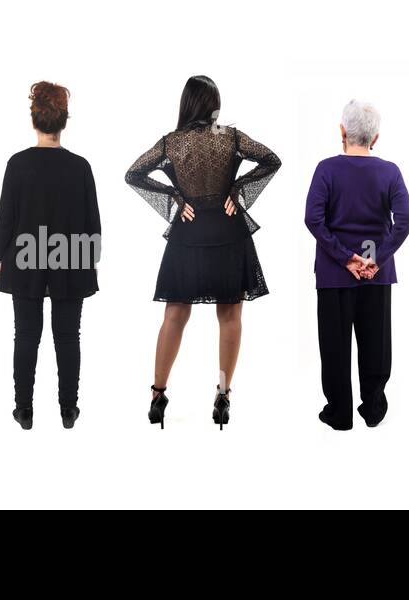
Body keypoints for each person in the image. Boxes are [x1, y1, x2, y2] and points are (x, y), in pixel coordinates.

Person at [126, 75, 280, 430]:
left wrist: (177, 200)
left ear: (186, 104)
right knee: (230, 316)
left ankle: (157, 395)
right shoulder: (231, 138)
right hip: (229, 233)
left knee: (174, 316)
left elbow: (134, 173)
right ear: (214, 104)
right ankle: (224, 395)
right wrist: (237, 191)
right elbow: (271, 160)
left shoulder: (172, 144)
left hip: (188, 235)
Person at [0, 81, 101, 430]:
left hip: (24, 256)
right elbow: (93, 223)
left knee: (25, 335)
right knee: (68, 336)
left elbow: (5, 218)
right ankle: (68, 409)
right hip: (72, 256)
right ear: (64, 122)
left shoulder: (18, 164)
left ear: (34, 120)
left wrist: (1, 257)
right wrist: (89, 260)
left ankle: (23, 409)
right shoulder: (81, 167)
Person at [304, 100, 409, 431]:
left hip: (334, 274)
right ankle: (374, 408)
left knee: (334, 346)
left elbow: (313, 218)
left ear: (342, 131)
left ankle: (340, 413)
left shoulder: (326, 169)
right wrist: (377, 258)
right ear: (375, 138)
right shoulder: (389, 172)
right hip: (377, 275)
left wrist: (344, 257)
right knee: (376, 345)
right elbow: (406, 218)